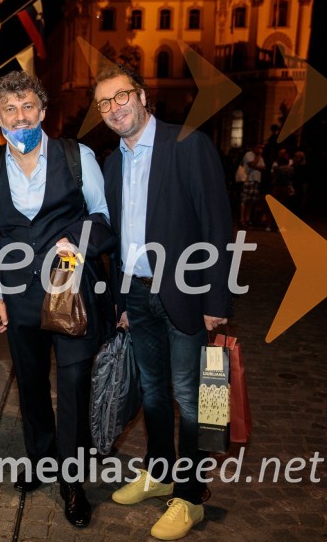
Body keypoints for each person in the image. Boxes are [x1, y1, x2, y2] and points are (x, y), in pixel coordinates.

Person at [94, 62, 233, 541]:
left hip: (187, 296)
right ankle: (159, 473)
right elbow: (116, 235)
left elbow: (217, 225)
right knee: (152, 393)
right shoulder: (113, 162)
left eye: (121, 96)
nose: (115, 108)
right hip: (137, 292)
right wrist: (122, 299)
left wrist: (218, 297)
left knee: (191, 400)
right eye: (105, 103)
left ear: (142, 95)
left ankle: (191, 498)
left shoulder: (186, 143)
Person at [0, 70, 113, 529]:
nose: (20, 116)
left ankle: (71, 481)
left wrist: (76, 238)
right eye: (9, 110)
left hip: (71, 295)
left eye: (28, 106)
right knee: (30, 384)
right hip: (18, 299)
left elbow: (104, 218)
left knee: (72, 383)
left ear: (44, 112)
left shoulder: (77, 157)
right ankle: (41, 458)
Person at [238, 143, 266, 227]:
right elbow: (252, 164)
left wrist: (256, 165)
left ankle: (247, 219)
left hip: (256, 180)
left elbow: (264, 167)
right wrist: (259, 156)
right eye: (259, 147)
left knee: (251, 201)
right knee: (245, 200)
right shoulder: (249, 154)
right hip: (248, 179)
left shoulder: (260, 157)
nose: (260, 149)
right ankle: (242, 220)